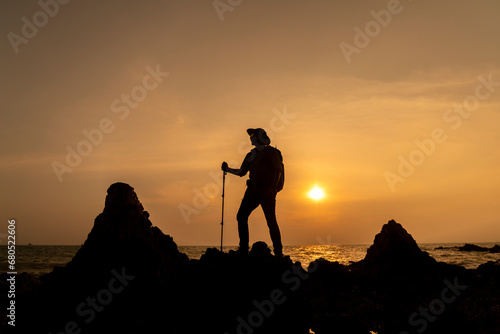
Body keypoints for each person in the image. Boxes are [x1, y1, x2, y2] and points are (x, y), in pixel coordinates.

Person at [221, 128, 284, 257]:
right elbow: (242, 172)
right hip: (253, 190)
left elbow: (278, 170)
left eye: (252, 135)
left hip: (267, 191)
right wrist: (227, 169)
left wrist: (272, 187)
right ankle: (244, 248)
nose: (250, 137)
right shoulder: (251, 155)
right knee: (241, 216)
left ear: (259, 137)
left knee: (271, 221)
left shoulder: (271, 152)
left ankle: (278, 252)